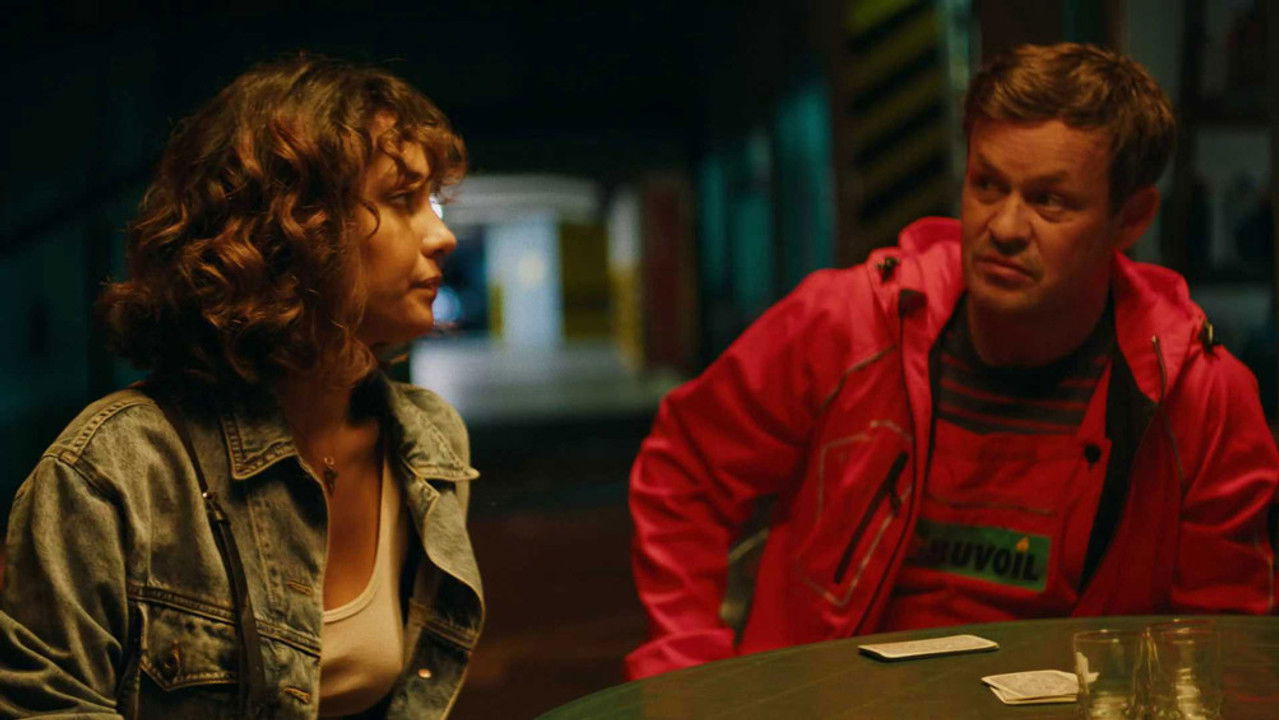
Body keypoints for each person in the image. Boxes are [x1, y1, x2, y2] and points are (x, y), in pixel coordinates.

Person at [626, 42, 1279, 679]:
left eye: (1049, 201)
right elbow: (686, 468)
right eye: (986, 185)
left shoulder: (1196, 396)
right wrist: (684, 666)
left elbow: (1220, 643)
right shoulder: (851, 325)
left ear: (1130, 218)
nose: (1004, 227)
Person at [0, 55, 481, 718]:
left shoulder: (429, 443)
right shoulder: (116, 471)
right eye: (402, 201)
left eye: (433, 203)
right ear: (291, 226)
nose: (442, 236)